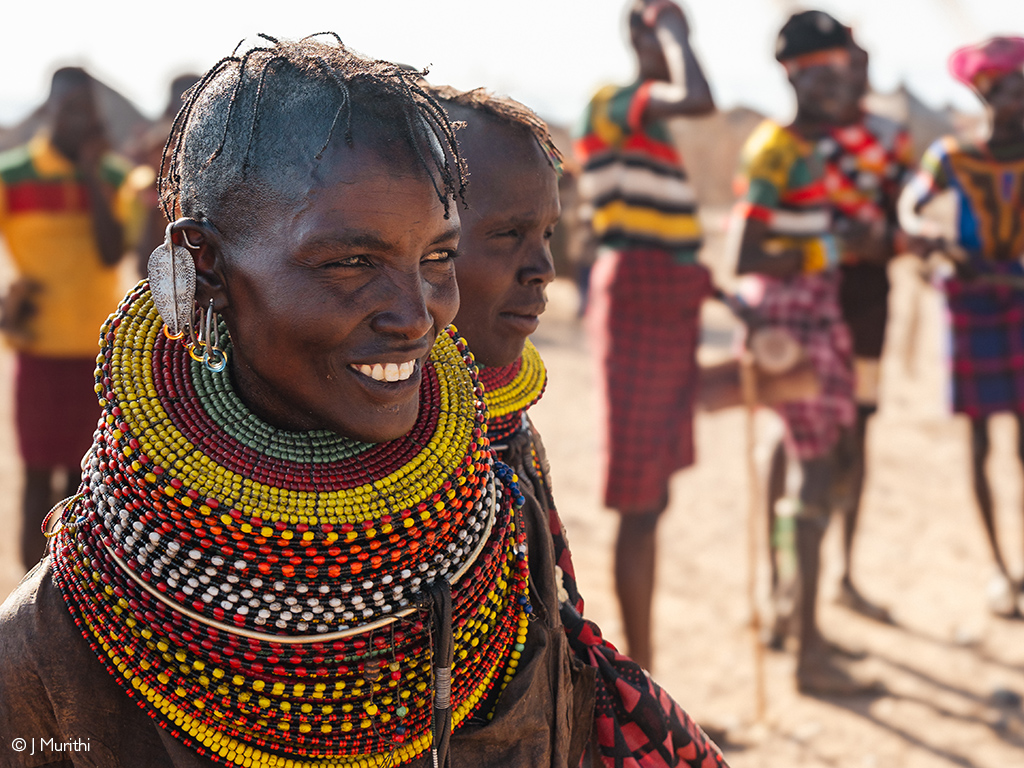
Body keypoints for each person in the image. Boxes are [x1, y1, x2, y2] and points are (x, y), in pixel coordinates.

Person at [0, 36, 595, 767]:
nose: (416, 317)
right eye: (351, 261)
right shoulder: (55, 644)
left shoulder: (497, 520)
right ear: (207, 265)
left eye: (436, 256)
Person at [434, 85, 727, 767]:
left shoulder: (502, 423)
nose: (545, 271)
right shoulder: (367, 448)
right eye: (508, 235)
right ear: (419, 240)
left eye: (548, 236)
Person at [731, 11, 875, 695]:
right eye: (821, 71)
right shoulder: (776, 150)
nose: (836, 82)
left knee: (801, 467)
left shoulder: (814, 151)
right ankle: (808, 652)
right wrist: (838, 250)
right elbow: (747, 252)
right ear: (792, 75)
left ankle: (792, 617)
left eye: (842, 69)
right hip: (792, 314)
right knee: (815, 474)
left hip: (808, 310)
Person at [574, 0, 714, 672]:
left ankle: (647, 672)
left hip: (670, 298)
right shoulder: (615, 103)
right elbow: (701, 97)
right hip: (638, 298)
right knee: (638, 495)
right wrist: (677, 36)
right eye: (667, 26)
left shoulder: (649, 134)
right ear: (642, 33)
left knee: (654, 495)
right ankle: (642, 677)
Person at [764, 27, 913, 629]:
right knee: (793, 439)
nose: (860, 71)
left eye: (862, 61)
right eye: (850, 61)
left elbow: (904, 218)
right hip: (809, 303)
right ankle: (783, 584)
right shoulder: (795, 143)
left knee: (856, 438)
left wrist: (888, 241)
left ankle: (842, 574)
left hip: (867, 305)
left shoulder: (888, 139)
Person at [899, 36, 1024, 617]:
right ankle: (1000, 567)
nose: (1021, 104)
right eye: (1012, 92)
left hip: (1019, 299)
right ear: (986, 95)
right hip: (971, 303)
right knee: (977, 443)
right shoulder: (952, 156)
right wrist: (935, 244)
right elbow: (910, 206)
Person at [0, 67, 133, 571]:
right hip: (38, 354)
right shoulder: (12, 175)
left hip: (101, 359)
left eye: (89, 110)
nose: (82, 120)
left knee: (85, 487)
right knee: (37, 481)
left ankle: (70, 597)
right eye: (72, 108)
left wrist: (90, 176)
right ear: (49, 110)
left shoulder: (113, 176)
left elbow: (109, 252)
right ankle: (26, 607)